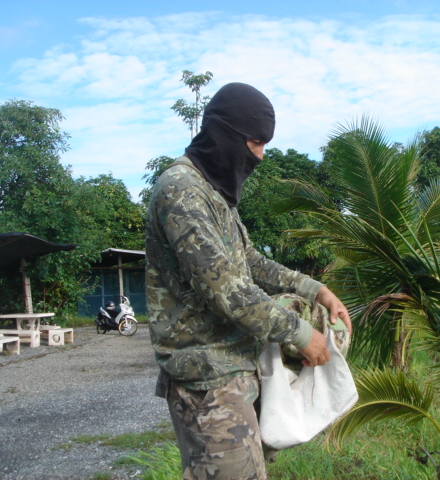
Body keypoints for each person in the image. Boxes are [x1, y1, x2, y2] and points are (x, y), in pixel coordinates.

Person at [145, 82, 352, 480]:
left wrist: (316, 290)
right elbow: (226, 290)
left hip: (236, 370)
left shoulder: (213, 193)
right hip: (208, 380)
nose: (259, 156)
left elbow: (250, 263)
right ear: (226, 136)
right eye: (255, 143)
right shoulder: (182, 192)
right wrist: (300, 333)